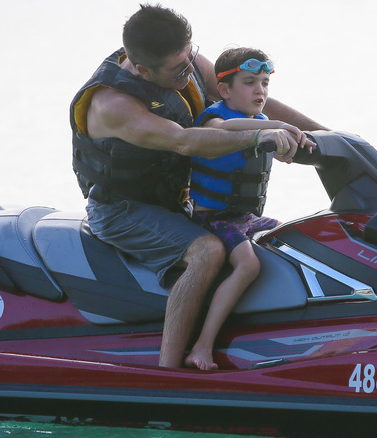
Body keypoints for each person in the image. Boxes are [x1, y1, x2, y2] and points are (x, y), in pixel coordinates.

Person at [69, 4, 326, 369]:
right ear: (143, 70)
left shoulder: (180, 59)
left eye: (191, 57)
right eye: (180, 68)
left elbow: (250, 104)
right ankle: (169, 370)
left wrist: (329, 138)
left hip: (179, 202)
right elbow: (185, 141)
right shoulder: (114, 105)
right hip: (122, 210)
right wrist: (260, 138)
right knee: (207, 251)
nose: (191, 70)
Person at [184, 48, 306, 370]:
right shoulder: (215, 117)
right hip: (212, 218)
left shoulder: (262, 123)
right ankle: (202, 346)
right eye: (250, 82)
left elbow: (278, 151)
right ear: (224, 89)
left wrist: (300, 143)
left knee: (296, 238)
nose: (260, 91)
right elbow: (224, 132)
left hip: (245, 218)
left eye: (265, 83)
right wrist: (277, 125)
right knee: (248, 266)